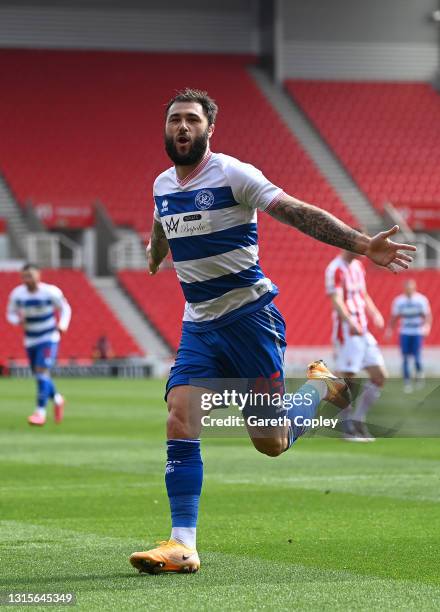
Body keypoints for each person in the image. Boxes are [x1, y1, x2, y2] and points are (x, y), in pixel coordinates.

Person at [129, 88, 416, 574]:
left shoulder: (234, 174)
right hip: (199, 325)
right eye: (175, 120)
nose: (182, 128)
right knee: (180, 413)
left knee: (271, 443)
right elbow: (161, 223)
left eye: (192, 121)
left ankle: (322, 387)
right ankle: (183, 544)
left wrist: (364, 244)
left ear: (209, 129)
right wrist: (156, 254)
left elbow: (298, 212)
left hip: (250, 321)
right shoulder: (161, 185)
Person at [325, 250, 387, 442]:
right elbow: (336, 300)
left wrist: (375, 312)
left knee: (380, 376)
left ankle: (358, 419)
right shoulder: (335, 268)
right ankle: (347, 427)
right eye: (360, 246)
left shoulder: (358, 266)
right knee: (348, 379)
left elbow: (363, 293)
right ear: (348, 245)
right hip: (347, 332)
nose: (364, 251)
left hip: (363, 330)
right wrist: (350, 321)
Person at [6, 264, 71, 426]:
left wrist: (62, 325)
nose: (28, 279)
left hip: (48, 337)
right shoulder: (18, 294)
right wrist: (18, 320)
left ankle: (39, 413)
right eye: (25, 276)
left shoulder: (50, 292)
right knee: (40, 375)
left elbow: (65, 308)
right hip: (30, 339)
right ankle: (57, 399)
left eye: (30, 275)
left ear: (38, 276)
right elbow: (10, 313)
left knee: (41, 372)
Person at [386, 279, 432, 392]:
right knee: (405, 357)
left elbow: (427, 315)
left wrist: (427, 327)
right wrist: (390, 329)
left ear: (414, 288)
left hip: (417, 331)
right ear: (404, 288)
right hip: (405, 332)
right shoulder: (399, 301)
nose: (409, 290)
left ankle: (419, 373)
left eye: (411, 288)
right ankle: (407, 381)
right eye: (407, 288)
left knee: (417, 358)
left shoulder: (421, 300)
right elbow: (394, 317)